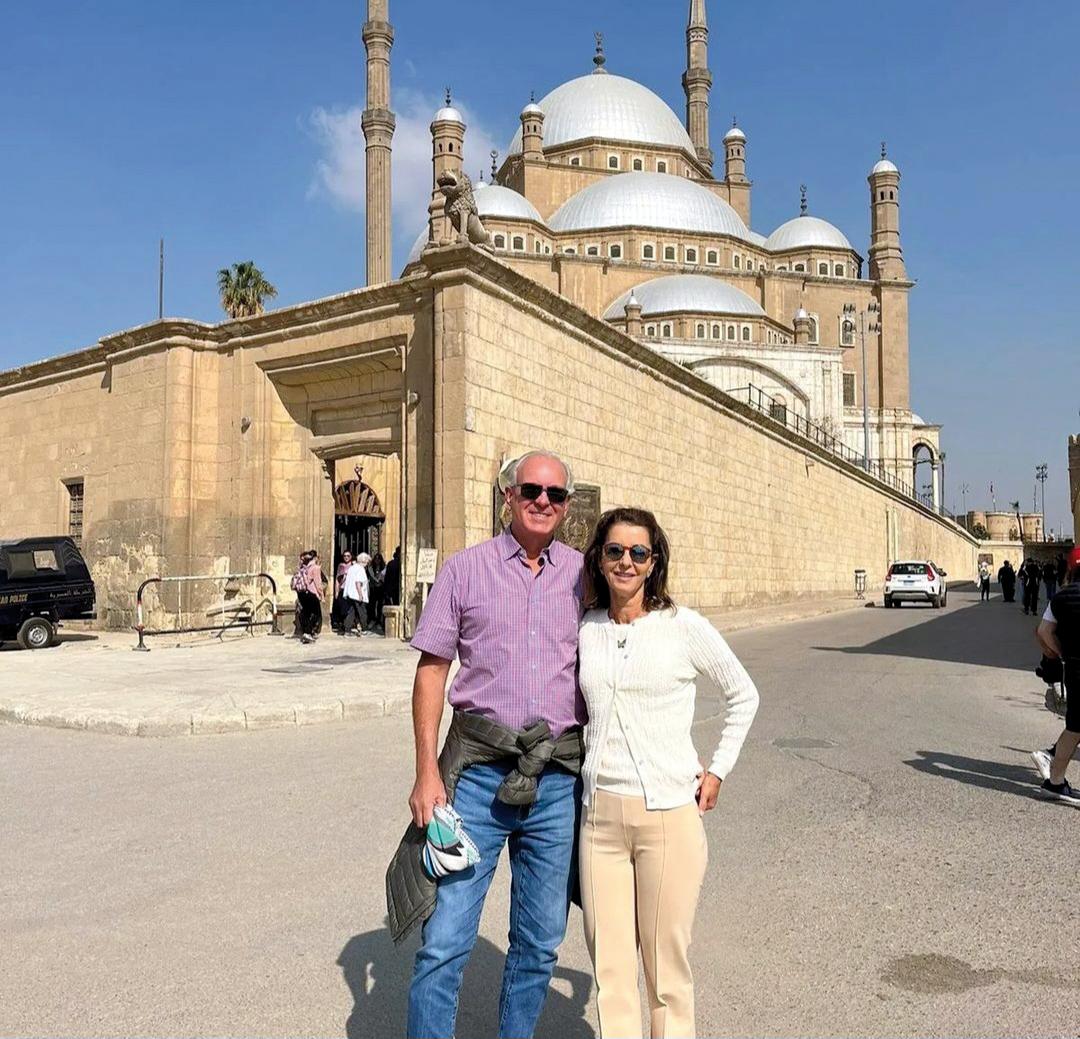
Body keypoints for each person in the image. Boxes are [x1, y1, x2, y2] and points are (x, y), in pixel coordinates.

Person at [389, 450, 586, 1039]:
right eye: (531, 489)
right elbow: (432, 671)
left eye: (554, 494)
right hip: (475, 776)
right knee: (445, 941)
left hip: (554, 781)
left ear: (567, 506)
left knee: (539, 943)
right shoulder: (464, 570)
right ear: (507, 496)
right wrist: (427, 772)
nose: (542, 501)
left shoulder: (584, 574)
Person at [577, 508, 759, 1038]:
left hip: (667, 818)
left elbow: (743, 695)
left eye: (639, 552)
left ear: (654, 562)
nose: (626, 562)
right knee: (610, 972)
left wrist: (718, 770)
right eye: (615, 551)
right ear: (600, 559)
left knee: (665, 974)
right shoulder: (587, 628)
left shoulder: (683, 626)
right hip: (599, 820)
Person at [1030, 547, 1080, 805]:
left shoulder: (1061, 598)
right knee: (1074, 727)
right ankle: (1055, 780)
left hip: (1073, 667)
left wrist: (1063, 653)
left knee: (1075, 724)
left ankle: (1056, 780)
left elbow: (1043, 631)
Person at [293, 549, 325, 644]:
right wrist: (322, 595)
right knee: (316, 614)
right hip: (311, 593)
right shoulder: (316, 568)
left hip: (302, 593)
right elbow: (318, 583)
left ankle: (307, 633)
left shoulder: (304, 567)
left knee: (306, 613)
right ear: (315, 558)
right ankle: (308, 633)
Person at [340, 553, 370, 635]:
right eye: (367, 562)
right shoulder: (360, 569)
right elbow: (358, 582)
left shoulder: (352, 568)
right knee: (362, 612)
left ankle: (347, 630)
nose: (367, 564)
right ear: (363, 561)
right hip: (357, 594)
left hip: (350, 594)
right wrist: (360, 595)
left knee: (351, 612)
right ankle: (364, 629)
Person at [332, 550, 353, 632]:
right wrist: (336, 591)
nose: (346, 557)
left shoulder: (353, 566)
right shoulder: (341, 566)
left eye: (348, 556)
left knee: (350, 609)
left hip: (351, 590)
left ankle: (348, 625)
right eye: (345, 556)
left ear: (351, 556)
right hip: (343, 589)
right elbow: (337, 579)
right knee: (342, 608)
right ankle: (343, 625)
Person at [367, 551, 387, 630]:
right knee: (372, 605)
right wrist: (377, 580)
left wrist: (381, 580)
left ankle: (379, 621)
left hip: (381, 589)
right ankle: (372, 619)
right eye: (376, 559)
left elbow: (384, 576)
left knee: (380, 605)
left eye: (379, 559)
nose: (377, 560)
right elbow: (371, 576)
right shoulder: (371, 567)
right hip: (373, 588)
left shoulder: (383, 567)